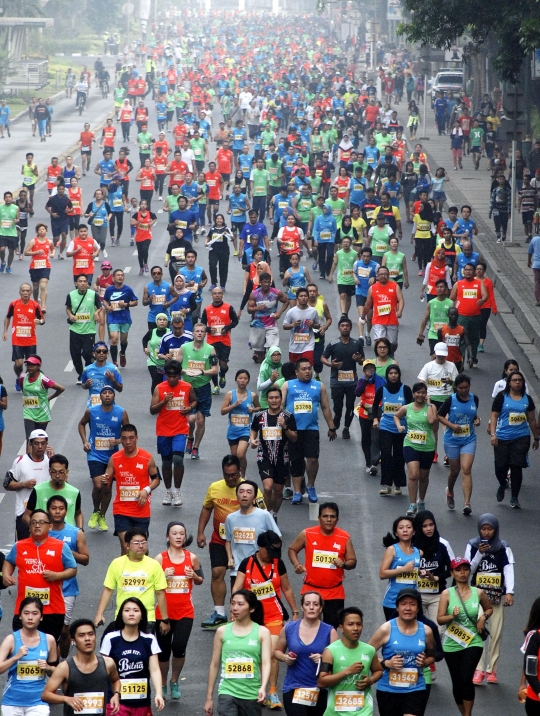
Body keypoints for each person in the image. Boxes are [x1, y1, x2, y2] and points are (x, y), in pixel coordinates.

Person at [196, 456, 265, 631]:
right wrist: (200, 532)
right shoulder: (215, 488)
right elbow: (207, 509)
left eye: (234, 475)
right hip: (220, 539)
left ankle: (246, 613)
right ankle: (219, 613)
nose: (231, 478)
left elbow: (264, 515)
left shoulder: (250, 490)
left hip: (244, 543)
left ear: (240, 472)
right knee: (217, 572)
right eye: (227, 475)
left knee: (244, 579)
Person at [233, 531, 298, 709]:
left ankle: (272, 692)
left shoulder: (278, 563)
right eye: (270, 551)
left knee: (271, 654)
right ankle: (255, 689)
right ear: (261, 547)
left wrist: (294, 610)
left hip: (274, 616)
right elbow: (237, 588)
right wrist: (235, 609)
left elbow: (287, 588)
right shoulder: (247, 563)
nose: (272, 555)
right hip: (251, 618)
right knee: (254, 655)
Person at [2, 509, 77, 642]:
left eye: (42, 522)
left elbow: (72, 569)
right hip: (24, 609)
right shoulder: (19, 546)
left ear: (50, 526)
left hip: (53, 609)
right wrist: (7, 575)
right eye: (34, 522)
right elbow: (9, 561)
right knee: (24, 647)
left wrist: (57, 575)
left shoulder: (61, 547)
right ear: (29, 527)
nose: (37, 525)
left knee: (49, 646)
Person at [437, 558, 493, 716]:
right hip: (451, 643)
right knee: (457, 682)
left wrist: (483, 618)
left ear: (469, 571)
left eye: (465, 569)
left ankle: (468, 714)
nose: (462, 573)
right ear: (452, 573)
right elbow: (440, 619)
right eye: (458, 570)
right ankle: (463, 713)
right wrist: (451, 616)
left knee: (466, 678)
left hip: (473, 641)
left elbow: (489, 609)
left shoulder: (478, 592)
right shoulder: (446, 594)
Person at [154, 521, 203, 699]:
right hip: (163, 614)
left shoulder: (192, 558)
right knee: (164, 651)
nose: (178, 536)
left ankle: (174, 681)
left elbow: (201, 580)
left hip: (185, 612)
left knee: (179, 646)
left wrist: (194, 576)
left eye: (181, 533)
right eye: (174, 533)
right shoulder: (160, 559)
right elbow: (150, 584)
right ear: (168, 536)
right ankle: (163, 683)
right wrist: (162, 576)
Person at [288, 502, 356, 629]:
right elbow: (292, 549)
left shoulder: (344, 537)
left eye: (332, 516)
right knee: (310, 626)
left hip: (335, 592)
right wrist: (297, 564)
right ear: (319, 518)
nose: (329, 520)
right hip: (311, 590)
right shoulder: (307, 534)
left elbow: (352, 561)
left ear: (337, 519)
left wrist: (344, 564)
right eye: (325, 516)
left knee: (331, 628)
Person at [464, 514, 514, 685]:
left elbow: (508, 570)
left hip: (496, 596)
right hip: (477, 595)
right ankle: (478, 670)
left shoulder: (503, 547)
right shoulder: (472, 545)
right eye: (483, 529)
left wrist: (510, 592)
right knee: (477, 630)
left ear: (495, 529)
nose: (486, 532)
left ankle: (492, 670)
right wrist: (479, 553)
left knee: (496, 633)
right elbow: (467, 569)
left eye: (490, 529)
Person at [204, 590, 272, 716]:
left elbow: (266, 663)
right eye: (233, 603)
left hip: (251, 693)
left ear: (251, 609)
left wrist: (263, 687)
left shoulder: (262, 632)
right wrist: (209, 697)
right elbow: (214, 664)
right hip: (227, 691)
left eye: (240, 604)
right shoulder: (222, 631)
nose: (235, 608)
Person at [370, 589, 435, 716]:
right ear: (397, 607)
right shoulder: (386, 629)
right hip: (388, 689)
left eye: (412, 604)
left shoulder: (426, 631)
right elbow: (365, 654)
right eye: (403, 604)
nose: (408, 608)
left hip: (415, 688)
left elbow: (432, 655)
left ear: (417, 608)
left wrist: (425, 662)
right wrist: (386, 663)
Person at [282, 357, 337, 504]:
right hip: (292, 430)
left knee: (312, 460)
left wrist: (332, 427)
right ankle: (297, 491)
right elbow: (279, 407)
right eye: (304, 369)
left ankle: (311, 486)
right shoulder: (288, 385)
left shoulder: (319, 386)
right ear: (296, 372)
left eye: (309, 369)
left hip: (311, 429)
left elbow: (325, 408)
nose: (307, 372)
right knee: (296, 461)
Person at [274, 591, 337, 716]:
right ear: (302, 607)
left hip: (320, 689)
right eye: (307, 604)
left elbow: (338, 660)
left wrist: (323, 659)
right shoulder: (289, 628)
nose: (311, 607)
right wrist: (285, 658)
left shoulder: (330, 631)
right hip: (294, 687)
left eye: (315, 604)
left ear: (321, 608)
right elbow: (277, 651)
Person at [94, 528, 170, 631]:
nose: (141, 546)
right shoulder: (116, 563)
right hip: (122, 618)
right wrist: (99, 614)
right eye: (136, 543)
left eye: (143, 542)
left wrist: (165, 619)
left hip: (147, 619)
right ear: (127, 545)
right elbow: (108, 590)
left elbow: (160, 593)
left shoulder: (154, 565)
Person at [41, 619, 121, 716]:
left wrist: (116, 694)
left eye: (91, 634)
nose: (87, 638)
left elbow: (116, 680)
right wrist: (66, 699)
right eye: (81, 635)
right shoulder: (65, 667)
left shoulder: (108, 663)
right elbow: (46, 695)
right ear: (73, 640)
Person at [102, 423, 160, 553]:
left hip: (141, 510)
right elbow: (107, 480)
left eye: (131, 438)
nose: (127, 442)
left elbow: (156, 479)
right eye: (124, 438)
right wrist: (105, 481)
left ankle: (140, 571)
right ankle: (125, 572)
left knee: (141, 549)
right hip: (121, 509)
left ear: (137, 438)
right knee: (127, 546)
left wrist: (146, 490)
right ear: (120, 439)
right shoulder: (114, 458)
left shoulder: (147, 458)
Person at [78, 384, 128, 530]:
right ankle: (95, 510)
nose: (107, 395)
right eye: (104, 393)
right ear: (100, 396)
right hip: (95, 454)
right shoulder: (92, 411)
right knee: (98, 484)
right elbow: (81, 424)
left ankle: (102, 515)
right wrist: (85, 441)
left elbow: (128, 433)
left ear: (114, 396)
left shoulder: (121, 412)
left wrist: (119, 441)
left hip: (113, 457)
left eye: (110, 393)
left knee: (107, 487)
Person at [100, 598, 164, 711]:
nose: (131, 614)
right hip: (116, 701)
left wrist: (158, 693)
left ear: (142, 615)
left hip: (142, 702)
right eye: (127, 610)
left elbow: (154, 670)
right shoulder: (110, 638)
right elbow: (104, 670)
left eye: (136, 610)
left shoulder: (149, 639)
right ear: (121, 615)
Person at [318, 606, 382, 716]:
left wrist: (370, 680)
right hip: (336, 712)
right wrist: (347, 672)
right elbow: (321, 682)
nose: (355, 628)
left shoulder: (369, 650)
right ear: (341, 627)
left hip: (363, 710)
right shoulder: (330, 651)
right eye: (350, 624)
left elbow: (378, 670)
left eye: (359, 624)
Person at [150, 359, 197, 507]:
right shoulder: (159, 388)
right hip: (163, 430)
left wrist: (189, 408)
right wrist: (164, 401)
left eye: (174, 376)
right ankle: (168, 491)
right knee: (166, 461)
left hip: (180, 429)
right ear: (165, 375)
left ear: (179, 375)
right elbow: (152, 410)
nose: (171, 379)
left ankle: (177, 491)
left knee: (178, 459)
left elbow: (194, 401)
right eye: (169, 376)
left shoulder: (187, 387)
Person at [489, 369, 538, 508]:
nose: (517, 382)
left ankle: (514, 497)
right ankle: (503, 483)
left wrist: (536, 438)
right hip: (502, 437)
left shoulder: (527, 399)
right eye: (514, 380)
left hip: (521, 437)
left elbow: (532, 420)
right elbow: (494, 416)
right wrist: (493, 434)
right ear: (509, 383)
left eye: (520, 380)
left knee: (516, 467)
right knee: (500, 467)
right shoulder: (501, 397)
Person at [48, 494, 89, 658]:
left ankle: (64, 663)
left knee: (64, 630)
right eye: (54, 508)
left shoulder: (76, 533)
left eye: (61, 508)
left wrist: (68, 553)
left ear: (66, 511)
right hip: (45, 588)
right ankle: (51, 664)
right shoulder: (42, 532)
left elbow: (85, 559)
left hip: (67, 589)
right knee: (46, 630)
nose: (57, 512)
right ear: (48, 511)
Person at [0, 597, 57, 714]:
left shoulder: (49, 640)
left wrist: (48, 668)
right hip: (12, 702)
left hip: (39, 702)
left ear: (41, 617)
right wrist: (16, 657)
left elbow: (57, 672)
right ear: (20, 616)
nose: (30, 617)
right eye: (26, 613)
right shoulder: (11, 640)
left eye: (35, 613)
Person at [437, 374, 480, 515]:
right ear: (456, 387)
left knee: (466, 469)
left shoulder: (474, 399)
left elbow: (473, 413)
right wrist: (451, 425)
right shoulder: (451, 400)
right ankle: (449, 491)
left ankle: (467, 503)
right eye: (461, 388)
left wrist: (477, 419)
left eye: (466, 387)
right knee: (454, 471)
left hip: (468, 439)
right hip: (452, 439)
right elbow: (440, 415)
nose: (464, 390)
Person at [393, 382, 438, 516]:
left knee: (424, 477)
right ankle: (412, 504)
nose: (420, 395)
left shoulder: (431, 407)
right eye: (418, 392)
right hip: (410, 444)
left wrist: (429, 403)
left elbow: (431, 421)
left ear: (426, 394)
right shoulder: (407, 408)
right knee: (413, 475)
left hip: (427, 446)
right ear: (413, 394)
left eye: (423, 392)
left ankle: (421, 501)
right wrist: (399, 426)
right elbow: (396, 416)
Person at [177, 323, 219, 460]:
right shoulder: (184, 348)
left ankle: (195, 447)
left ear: (205, 334)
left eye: (202, 331)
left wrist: (201, 371)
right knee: (191, 418)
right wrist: (185, 371)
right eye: (197, 331)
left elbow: (215, 369)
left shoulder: (211, 349)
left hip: (203, 387)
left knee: (200, 420)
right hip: (188, 388)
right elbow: (176, 367)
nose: (200, 333)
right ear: (193, 333)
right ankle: (190, 436)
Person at [225, 480, 280, 581]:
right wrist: (230, 559)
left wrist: (268, 556)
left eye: (248, 492)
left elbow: (277, 538)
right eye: (241, 492)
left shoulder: (264, 515)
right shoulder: (230, 518)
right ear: (237, 496)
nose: (244, 495)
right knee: (237, 597)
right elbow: (228, 540)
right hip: (237, 569)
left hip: (259, 568)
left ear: (254, 498)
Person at [321, 317, 364, 439]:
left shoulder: (357, 344)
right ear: (339, 328)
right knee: (338, 407)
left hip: (351, 381)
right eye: (342, 325)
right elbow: (323, 358)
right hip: (337, 382)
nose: (345, 327)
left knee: (350, 406)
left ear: (350, 328)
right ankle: (337, 417)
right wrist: (331, 364)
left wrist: (359, 359)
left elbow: (363, 362)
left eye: (347, 325)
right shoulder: (333, 344)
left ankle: (346, 428)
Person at [412, 510, 454, 634]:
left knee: (439, 631)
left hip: (437, 595)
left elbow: (453, 568)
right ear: (419, 527)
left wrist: (436, 578)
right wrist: (418, 573)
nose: (429, 529)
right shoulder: (411, 545)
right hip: (416, 594)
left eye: (431, 525)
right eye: (425, 526)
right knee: (415, 630)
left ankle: (436, 654)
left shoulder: (443, 544)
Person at [374, 365, 413, 495]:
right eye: (390, 373)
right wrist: (375, 419)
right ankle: (386, 484)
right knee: (385, 455)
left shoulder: (406, 390)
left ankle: (398, 485)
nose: (393, 375)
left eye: (396, 373)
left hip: (401, 428)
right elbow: (375, 405)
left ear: (399, 374)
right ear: (387, 375)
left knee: (399, 456)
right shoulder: (382, 389)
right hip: (385, 426)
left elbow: (412, 408)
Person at [417, 342, 458, 463]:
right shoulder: (428, 366)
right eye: (439, 355)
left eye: (443, 356)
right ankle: (434, 452)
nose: (441, 358)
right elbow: (421, 381)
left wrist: (451, 382)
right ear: (435, 353)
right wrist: (425, 395)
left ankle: (448, 454)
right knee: (434, 428)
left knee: (446, 427)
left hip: (447, 399)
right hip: (433, 400)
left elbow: (458, 383)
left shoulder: (451, 366)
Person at [22, 454, 82, 528]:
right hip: (45, 537)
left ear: (66, 472)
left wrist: (80, 530)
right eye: (54, 472)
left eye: (61, 472)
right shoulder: (38, 490)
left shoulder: (75, 492)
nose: (57, 475)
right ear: (49, 471)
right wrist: (37, 528)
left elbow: (78, 514)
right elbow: (26, 516)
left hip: (66, 537)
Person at [3, 282, 45, 390]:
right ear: (20, 292)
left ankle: (25, 380)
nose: (25, 293)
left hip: (31, 340)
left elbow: (42, 319)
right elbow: (8, 317)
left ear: (31, 292)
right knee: (19, 363)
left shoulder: (35, 305)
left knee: (30, 363)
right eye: (23, 290)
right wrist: (5, 331)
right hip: (17, 339)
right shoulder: (14, 304)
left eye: (27, 291)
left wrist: (39, 321)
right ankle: (18, 377)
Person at [201, 287, 239, 395]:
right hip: (211, 342)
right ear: (211, 295)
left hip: (224, 341)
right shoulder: (207, 309)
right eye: (215, 293)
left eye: (219, 293)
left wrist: (226, 328)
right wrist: (209, 329)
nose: (217, 295)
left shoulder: (228, 308)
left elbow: (235, 321)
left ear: (222, 295)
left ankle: (222, 374)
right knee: (213, 365)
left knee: (223, 365)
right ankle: (216, 386)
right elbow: (202, 325)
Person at [222, 369, 260, 477]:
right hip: (233, 430)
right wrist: (234, 405)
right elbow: (222, 411)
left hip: (246, 430)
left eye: (245, 378)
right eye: (240, 378)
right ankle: (237, 475)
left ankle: (242, 476)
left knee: (240, 453)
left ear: (248, 381)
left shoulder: (252, 395)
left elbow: (258, 407)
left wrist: (253, 410)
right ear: (236, 380)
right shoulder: (230, 394)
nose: (242, 380)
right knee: (235, 457)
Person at [65, 275, 102, 385]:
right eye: (80, 281)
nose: (82, 283)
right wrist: (70, 315)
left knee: (87, 353)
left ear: (87, 284)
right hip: (75, 329)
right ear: (76, 283)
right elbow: (68, 308)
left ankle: (88, 371)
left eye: (84, 281)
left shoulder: (93, 294)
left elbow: (99, 306)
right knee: (75, 354)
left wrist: (96, 313)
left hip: (89, 330)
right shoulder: (71, 295)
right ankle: (81, 374)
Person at [449, 263, 487, 369]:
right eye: (466, 270)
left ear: (474, 271)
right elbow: (451, 298)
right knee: (461, 340)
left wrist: (482, 300)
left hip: (476, 316)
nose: (468, 272)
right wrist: (452, 313)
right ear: (463, 271)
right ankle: (460, 361)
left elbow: (485, 295)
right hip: (462, 316)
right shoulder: (458, 284)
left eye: (470, 270)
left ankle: (473, 359)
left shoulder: (479, 283)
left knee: (474, 339)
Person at [19, 355, 64, 440]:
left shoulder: (43, 379)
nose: (29, 367)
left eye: (32, 365)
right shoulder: (23, 377)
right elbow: (22, 388)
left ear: (38, 366)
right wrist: (27, 398)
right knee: (29, 438)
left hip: (42, 413)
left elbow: (61, 389)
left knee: (38, 439)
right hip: (28, 412)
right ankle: (28, 453)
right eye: (28, 365)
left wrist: (49, 398)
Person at [361, 266, 404, 355]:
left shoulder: (395, 286)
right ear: (377, 275)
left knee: (392, 343)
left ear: (388, 275)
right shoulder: (372, 288)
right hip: (378, 320)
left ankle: (390, 355)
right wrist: (363, 316)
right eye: (381, 274)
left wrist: (399, 311)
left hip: (392, 320)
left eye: (385, 274)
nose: (383, 276)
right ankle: (381, 360)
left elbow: (401, 300)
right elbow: (368, 304)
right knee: (379, 342)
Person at [102, 269, 138, 367]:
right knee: (114, 339)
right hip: (113, 318)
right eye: (118, 275)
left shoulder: (128, 290)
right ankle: (114, 361)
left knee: (123, 340)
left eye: (122, 275)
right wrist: (107, 307)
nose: (120, 277)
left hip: (125, 318)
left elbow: (135, 302)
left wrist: (126, 304)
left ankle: (122, 353)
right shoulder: (109, 290)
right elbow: (105, 300)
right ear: (113, 278)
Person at [81, 341, 123, 408]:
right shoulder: (87, 369)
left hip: (109, 406)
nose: (101, 353)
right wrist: (86, 385)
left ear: (107, 354)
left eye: (104, 351)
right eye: (98, 351)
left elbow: (120, 389)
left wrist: (113, 380)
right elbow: (83, 385)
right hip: (93, 406)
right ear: (94, 353)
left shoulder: (113, 369)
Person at [25, 224, 54, 312]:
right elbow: (26, 252)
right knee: (36, 287)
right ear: (37, 231)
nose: (42, 231)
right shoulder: (33, 241)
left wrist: (52, 254)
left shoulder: (49, 242)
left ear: (46, 231)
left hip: (45, 266)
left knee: (43, 286)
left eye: (43, 229)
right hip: (34, 267)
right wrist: (36, 252)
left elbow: (52, 249)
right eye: (40, 229)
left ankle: (43, 306)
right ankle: (35, 301)